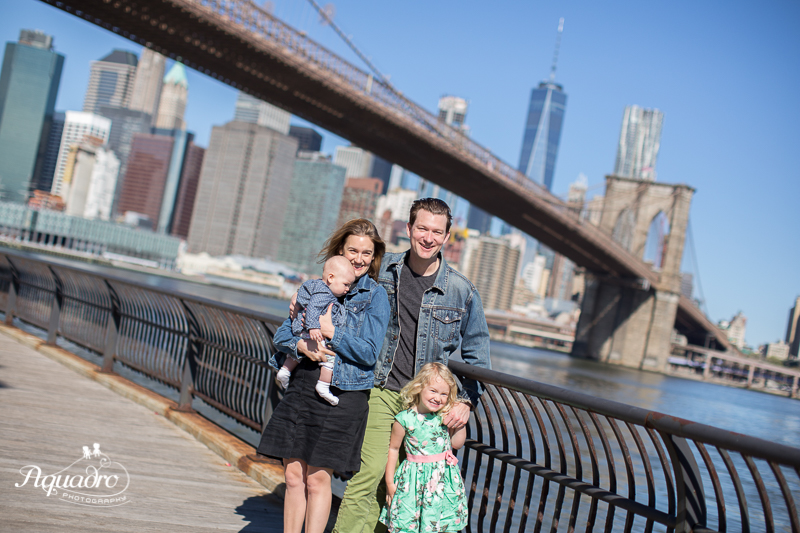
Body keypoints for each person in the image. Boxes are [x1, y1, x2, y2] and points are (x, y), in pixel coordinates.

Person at [333, 198, 491, 533]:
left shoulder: (462, 290)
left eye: (437, 231)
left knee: (410, 490)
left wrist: (465, 402)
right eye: (422, 228)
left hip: (427, 407)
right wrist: (306, 298)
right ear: (408, 229)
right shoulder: (382, 269)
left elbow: (479, 356)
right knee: (371, 473)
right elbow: (338, 283)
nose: (428, 237)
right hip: (382, 389)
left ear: (447, 237)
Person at [257, 219, 391, 533]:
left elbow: (370, 352)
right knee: (292, 476)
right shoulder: (314, 286)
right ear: (340, 251)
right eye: (353, 250)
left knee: (318, 479)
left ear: (374, 258)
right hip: (303, 384)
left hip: (342, 394)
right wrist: (302, 344)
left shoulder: (375, 296)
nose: (359, 258)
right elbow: (281, 335)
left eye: (367, 253)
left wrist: (334, 332)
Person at [380, 363, 468, 533]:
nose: (438, 398)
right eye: (433, 391)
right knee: (408, 523)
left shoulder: (443, 416)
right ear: (419, 387)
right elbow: (393, 449)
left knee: (440, 524)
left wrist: (460, 423)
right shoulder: (405, 419)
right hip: (414, 481)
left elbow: (457, 443)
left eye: (444, 394)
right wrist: (390, 483)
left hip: (442, 481)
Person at [276, 255, 356, 405]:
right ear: (331, 278)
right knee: (330, 359)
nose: (347, 289)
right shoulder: (325, 293)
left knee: (296, 355)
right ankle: (323, 385)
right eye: (345, 284)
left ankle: (285, 370)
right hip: (311, 330)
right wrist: (313, 327)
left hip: (302, 329)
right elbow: (312, 308)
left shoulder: (316, 286)